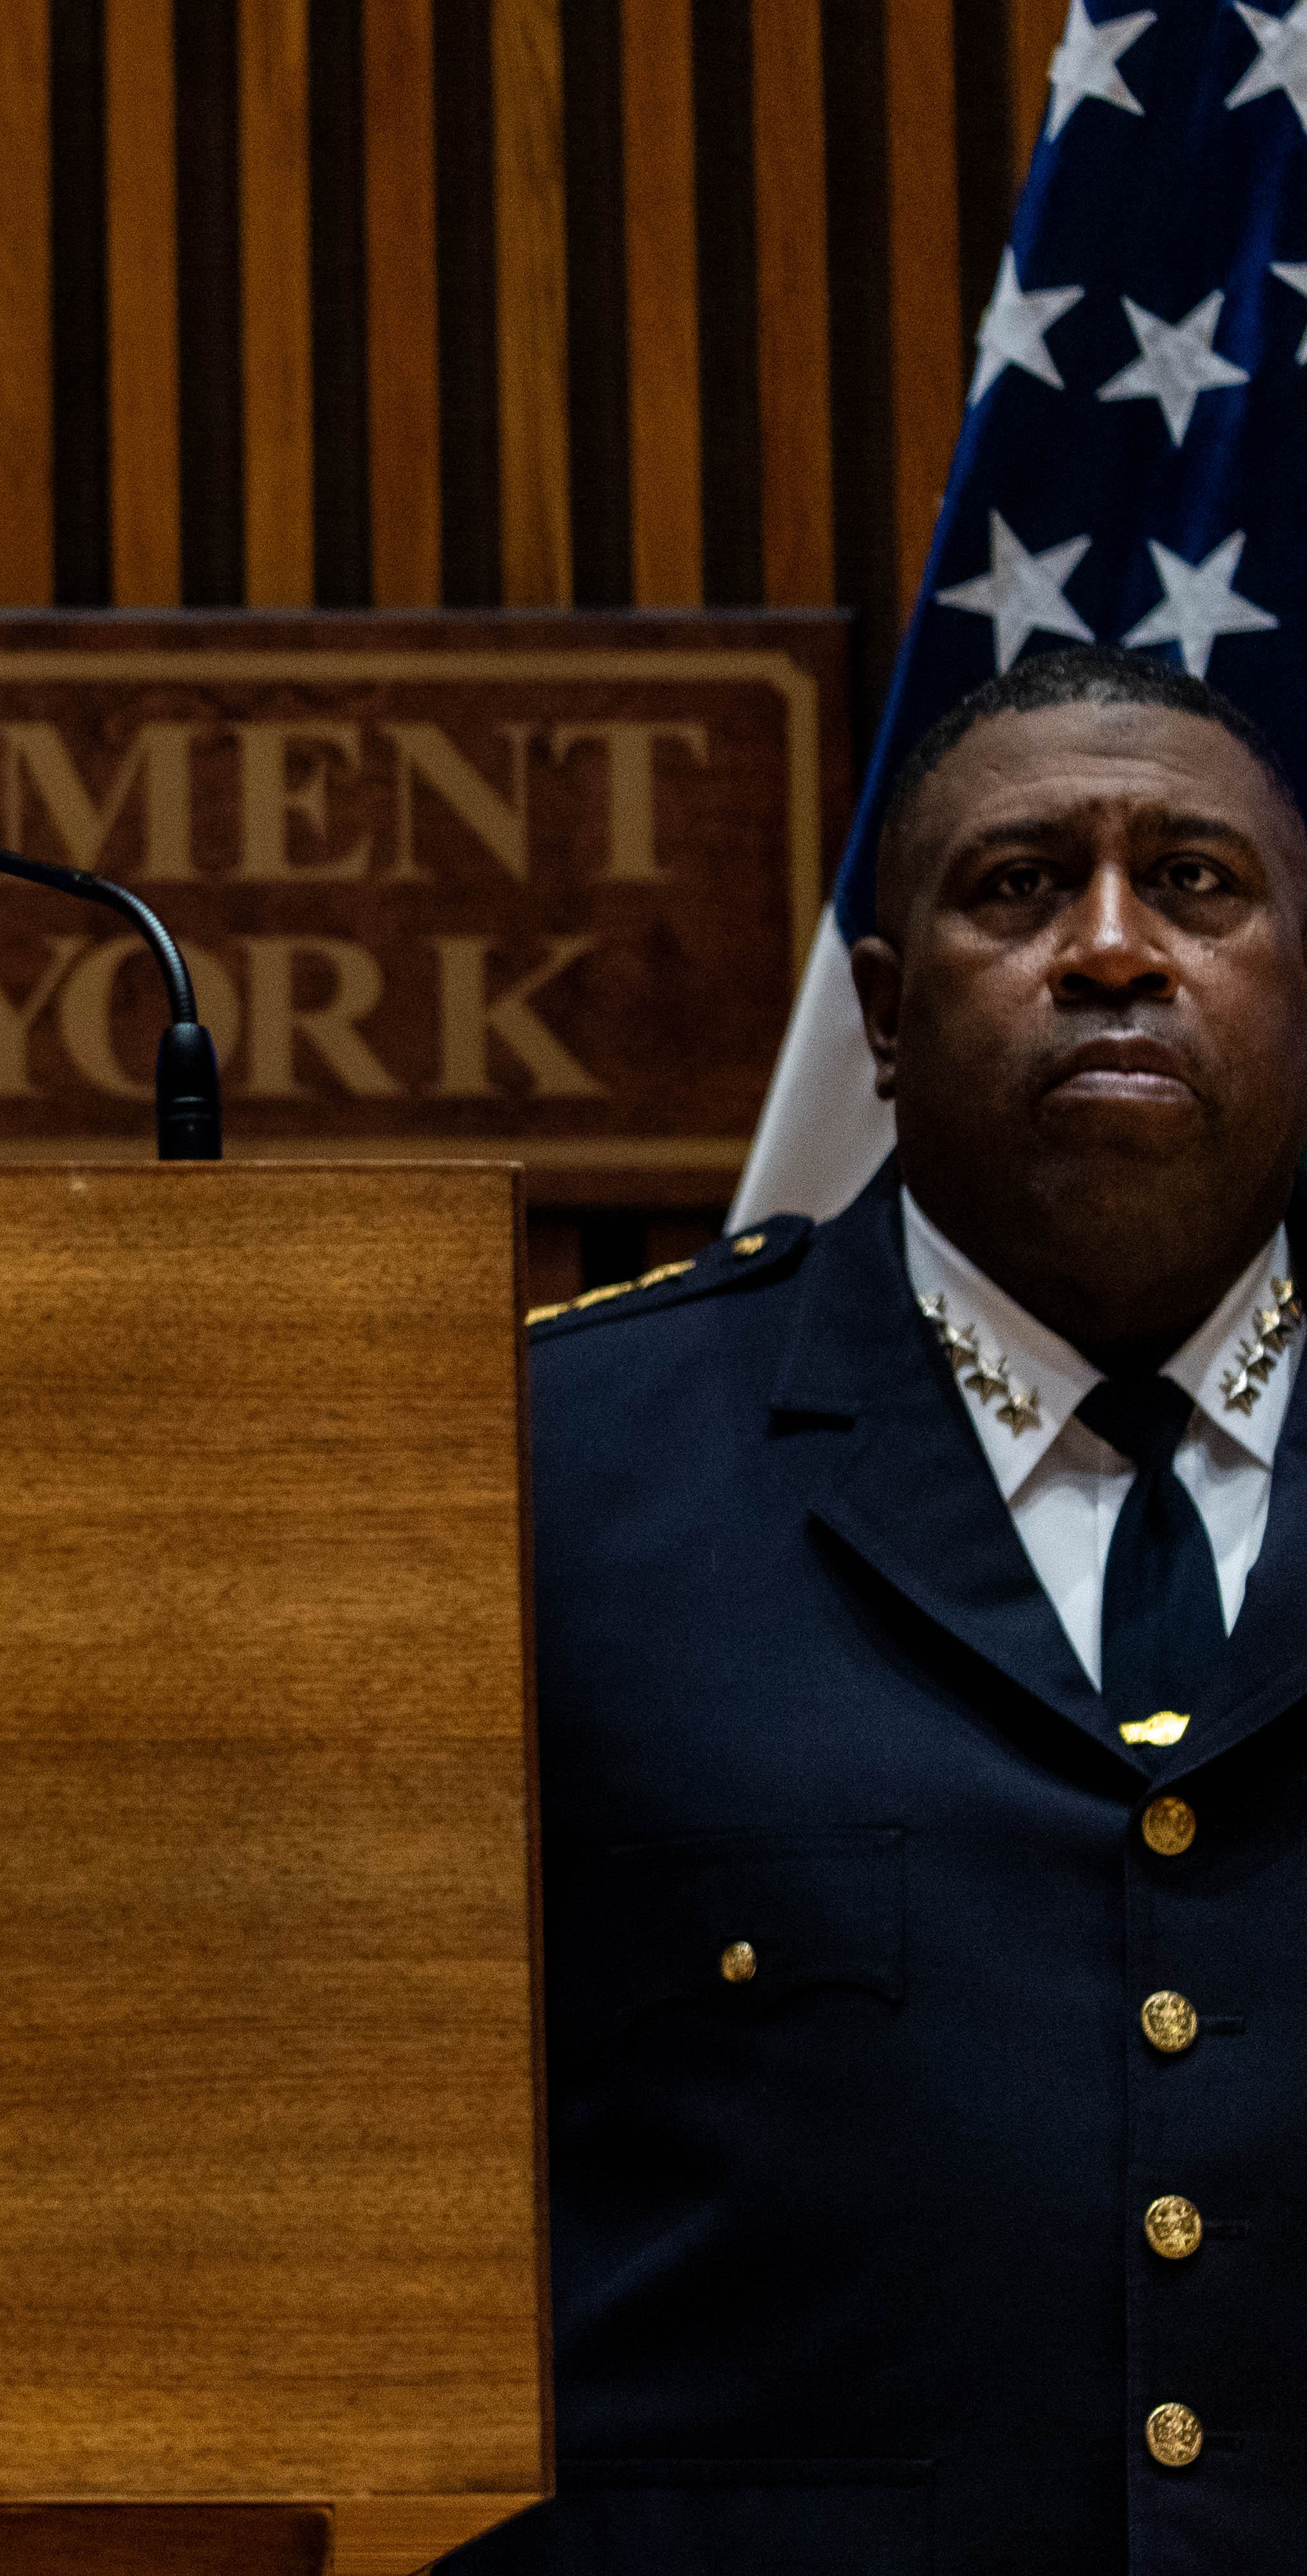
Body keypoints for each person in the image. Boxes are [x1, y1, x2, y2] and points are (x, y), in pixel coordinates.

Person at [467, 643, 1307, 2571]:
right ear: (886, 1014)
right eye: (1018, 888)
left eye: (1197, 883)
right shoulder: (554, 1475)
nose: (1111, 947)